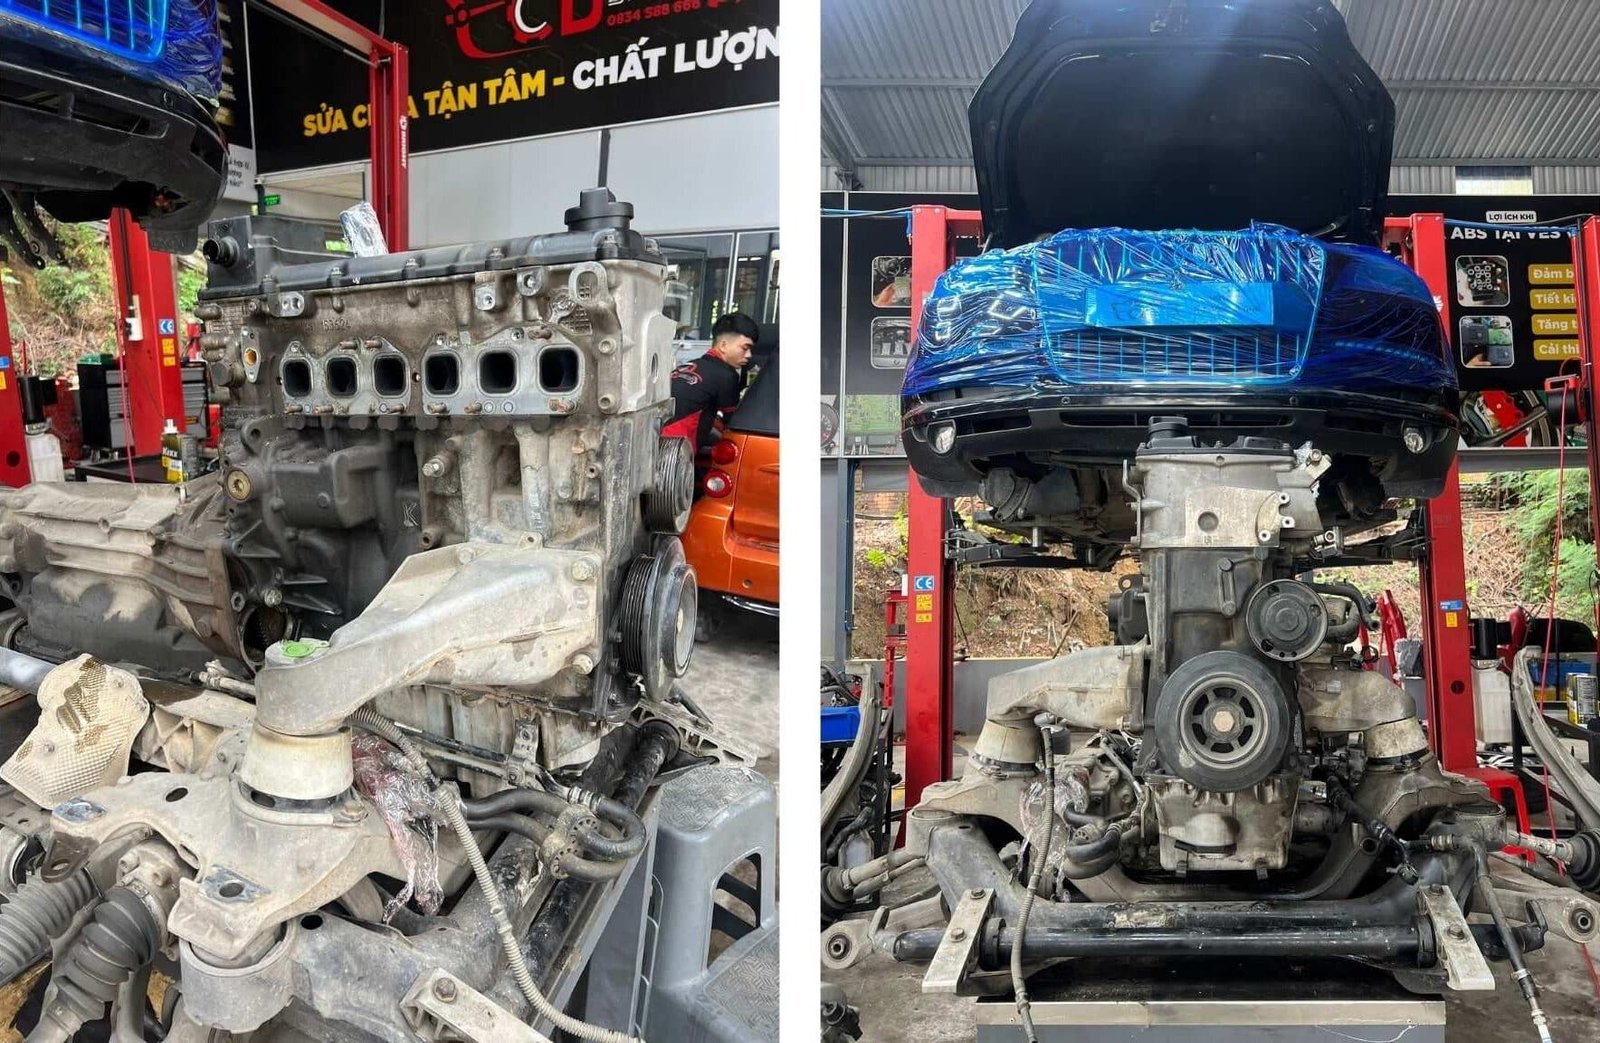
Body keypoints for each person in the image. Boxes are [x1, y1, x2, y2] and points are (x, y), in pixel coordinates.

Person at [666, 312, 758, 451]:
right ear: (723, 345)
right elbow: (733, 423)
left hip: (653, 439)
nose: (749, 355)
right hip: (675, 451)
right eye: (745, 348)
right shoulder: (727, 375)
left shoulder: (689, 365)